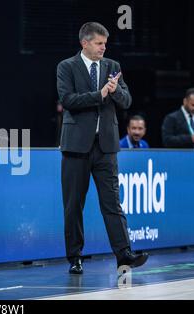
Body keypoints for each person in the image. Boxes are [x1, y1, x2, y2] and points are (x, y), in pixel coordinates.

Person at [56, 22, 148, 274]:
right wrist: (100, 94)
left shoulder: (112, 67)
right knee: (74, 204)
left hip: (106, 146)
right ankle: (75, 256)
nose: (103, 48)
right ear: (84, 43)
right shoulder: (66, 67)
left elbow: (127, 101)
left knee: (112, 202)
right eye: (99, 43)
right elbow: (68, 101)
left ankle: (124, 254)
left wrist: (115, 90)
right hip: (76, 147)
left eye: (105, 44)